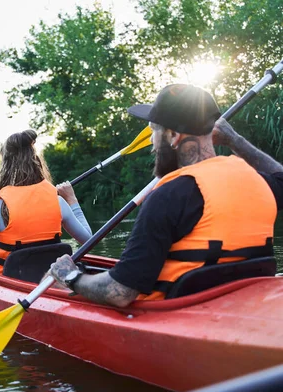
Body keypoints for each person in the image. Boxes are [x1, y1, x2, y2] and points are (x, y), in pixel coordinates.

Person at [49, 83, 283, 307]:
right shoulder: (254, 179)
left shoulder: (168, 195)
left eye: (154, 132)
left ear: (172, 135)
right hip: (245, 304)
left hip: (181, 314)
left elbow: (119, 293)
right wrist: (235, 140)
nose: (151, 142)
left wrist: (71, 277)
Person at [0, 129, 93, 278]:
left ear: (4, 166)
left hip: (13, 284)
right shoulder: (58, 202)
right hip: (53, 282)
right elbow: (89, 240)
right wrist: (72, 200)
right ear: (37, 162)